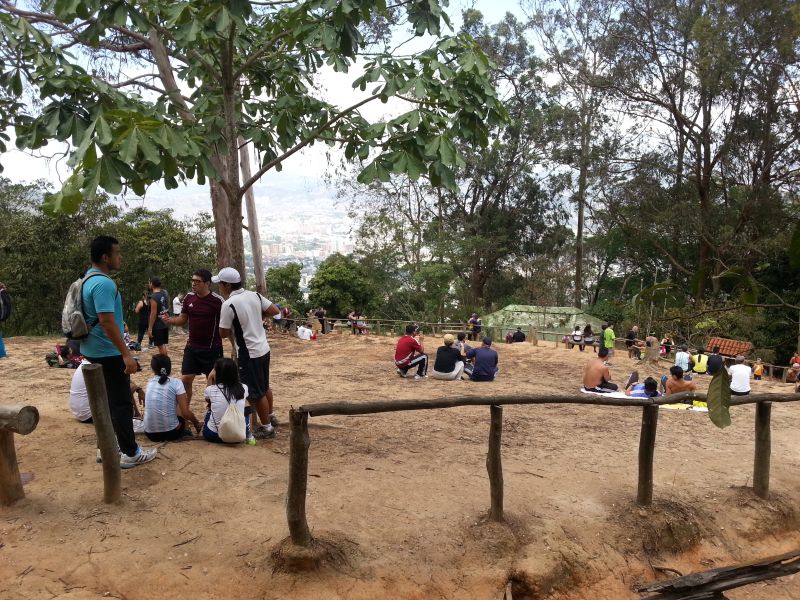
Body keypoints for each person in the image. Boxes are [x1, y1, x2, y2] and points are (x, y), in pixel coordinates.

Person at [80, 235, 156, 467]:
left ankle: (106, 447)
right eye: (117, 253)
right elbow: (106, 321)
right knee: (121, 403)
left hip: (92, 349)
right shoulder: (103, 283)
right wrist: (126, 353)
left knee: (104, 402)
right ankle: (130, 453)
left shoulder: (87, 279)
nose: (120, 257)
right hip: (108, 352)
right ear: (106, 257)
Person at [213, 267, 280, 439]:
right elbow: (275, 310)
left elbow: (222, 332)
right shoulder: (254, 295)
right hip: (263, 348)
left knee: (255, 392)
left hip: (248, 352)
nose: (219, 287)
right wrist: (256, 314)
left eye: (220, 284)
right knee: (264, 385)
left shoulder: (229, 304)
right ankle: (270, 417)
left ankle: (266, 428)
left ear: (227, 285)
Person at [161, 269, 227, 408]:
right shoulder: (189, 298)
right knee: (185, 379)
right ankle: (183, 414)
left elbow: (227, 323)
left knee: (212, 381)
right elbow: (183, 319)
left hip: (212, 349)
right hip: (192, 347)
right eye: (193, 281)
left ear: (207, 283)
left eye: (197, 281)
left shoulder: (218, 301)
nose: (194, 284)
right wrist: (170, 321)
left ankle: (213, 411)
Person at [143, 354, 200, 441]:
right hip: (171, 432)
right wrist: (196, 423)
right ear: (169, 367)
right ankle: (185, 430)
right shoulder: (176, 383)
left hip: (150, 434)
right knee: (180, 402)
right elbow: (185, 413)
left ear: (153, 369)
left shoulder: (150, 382)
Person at [70, 359, 145, 423]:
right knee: (123, 398)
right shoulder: (101, 365)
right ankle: (135, 416)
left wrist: (138, 389)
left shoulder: (88, 363)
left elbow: (124, 380)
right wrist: (136, 389)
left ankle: (136, 415)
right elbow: (126, 388)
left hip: (80, 412)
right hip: (90, 415)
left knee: (123, 387)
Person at [202, 357, 251, 444]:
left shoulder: (211, 389)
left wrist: (210, 378)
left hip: (214, 436)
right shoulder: (244, 387)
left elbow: (207, 399)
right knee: (245, 405)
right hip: (238, 435)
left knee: (210, 407)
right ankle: (248, 433)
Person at [147, 276, 171, 355]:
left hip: (158, 325)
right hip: (165, 322)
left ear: (152, 284)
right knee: (162, 345)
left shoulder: (153, 297)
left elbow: (153, 314)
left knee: (160, 346)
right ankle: (165, 362)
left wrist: (150, 328)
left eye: (150, 283)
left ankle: (164, 363)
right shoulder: (164, 293)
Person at [0, 281, 7, 358]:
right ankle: (2, 353)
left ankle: (1, 354)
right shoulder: (3, 293)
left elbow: (3, 307)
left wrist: (1, 317)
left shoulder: (2, 294)